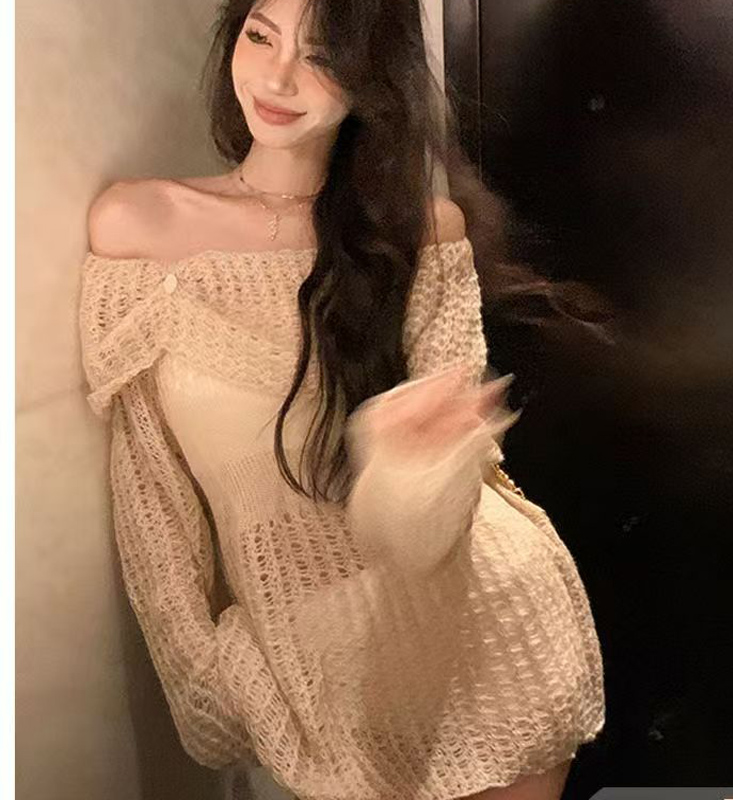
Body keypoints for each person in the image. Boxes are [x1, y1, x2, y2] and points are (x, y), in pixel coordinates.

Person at [78, 0, 608, 798]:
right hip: (311, 670)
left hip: (492, 633)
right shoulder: (139, 226)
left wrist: (415, 464)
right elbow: (149, 495)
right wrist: (208, 678)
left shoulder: (423, 233)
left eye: (323, 54)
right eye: (261, 35)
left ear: (371, 80)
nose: (278, 76)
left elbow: (441, 519)